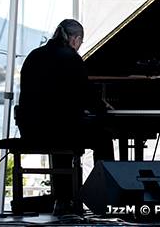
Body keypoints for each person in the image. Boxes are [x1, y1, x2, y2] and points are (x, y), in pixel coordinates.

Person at [16, 19, 114, 215]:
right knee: (103, 139)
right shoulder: (71, 58)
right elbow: (86, 96)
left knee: (62, 130)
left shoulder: (34, 55)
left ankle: (64, 198)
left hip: (31, 131)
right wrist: (103, 107)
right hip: (60, 131)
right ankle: (106, 197)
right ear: (75, 39)